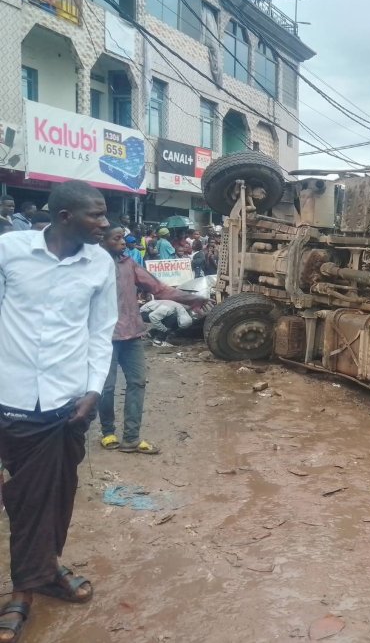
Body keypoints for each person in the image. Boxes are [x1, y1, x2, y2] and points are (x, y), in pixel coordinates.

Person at [0, 180, 116, 643]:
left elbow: (100, 332)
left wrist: (93, 391)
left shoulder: (100, 264)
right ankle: (30, 583)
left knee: (55, 498)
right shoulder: (10, 251)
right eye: (97, 215)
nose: (105, 224)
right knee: (25, 500)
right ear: (65, 216)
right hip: (9, 398)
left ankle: (35, 579)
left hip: (66, 407)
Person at [99, 224, 208, 455]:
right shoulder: (91, 266)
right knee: (106, 388)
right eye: (117, 239)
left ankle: (131, 438)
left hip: (133, 334)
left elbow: (159, 288)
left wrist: (190, 299)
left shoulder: (129, 264)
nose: (122, 243)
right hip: (104, 338)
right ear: (102, 241)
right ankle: (108, 431)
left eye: (122, 238)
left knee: (137, 384)